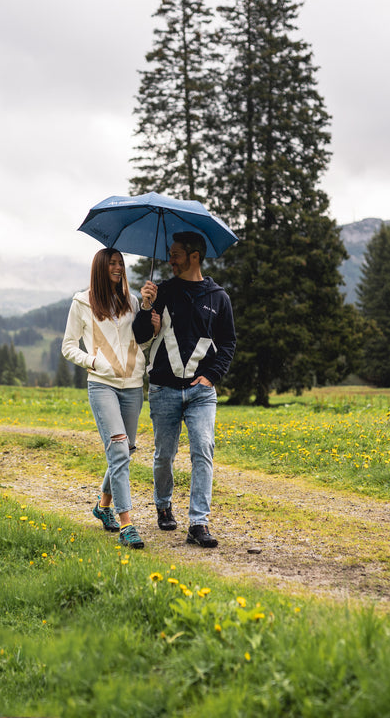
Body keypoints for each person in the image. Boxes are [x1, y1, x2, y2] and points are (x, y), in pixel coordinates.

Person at [133, 231, 236, 548]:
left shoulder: (219, 298)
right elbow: (140, 336)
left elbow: (228, 343)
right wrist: (145, 306)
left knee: (203, 449)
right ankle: (163, 504)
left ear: (194, 256)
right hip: (163, 389)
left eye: (175, 254)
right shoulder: (160, 292)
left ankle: (198, 523)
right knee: (164, 455)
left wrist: (212, 376)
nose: (170, 259)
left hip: (201, 393)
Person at [62, 247, 159, 550]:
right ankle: (127, 525)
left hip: (132, 386)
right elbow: (67, 346)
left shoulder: (131, 302)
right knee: (118, 451)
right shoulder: (81, 302)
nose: (118, 268)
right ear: (101, 268)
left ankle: (103, 506)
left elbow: (141, 341)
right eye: (113, 264)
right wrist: (93, 362)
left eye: (121, 264)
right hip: (102, 385)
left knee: (125, 451)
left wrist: (148, 316)